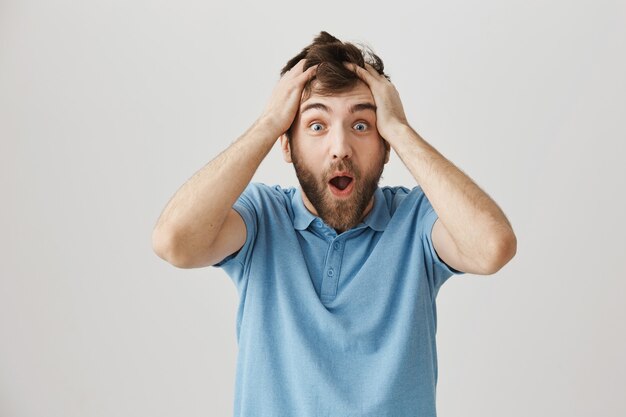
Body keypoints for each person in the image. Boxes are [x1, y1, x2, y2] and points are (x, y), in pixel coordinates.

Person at [152, 31, 517, 417]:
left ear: (385, 145)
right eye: (316, 126)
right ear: (287, 145)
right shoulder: (261, 217)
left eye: (362, 125)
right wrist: (268, 122)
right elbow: (174, 240)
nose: (340, 147)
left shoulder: (415, 222)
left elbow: (493, 247)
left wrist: (401, 129)